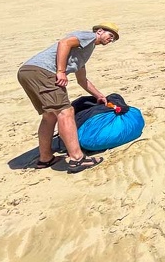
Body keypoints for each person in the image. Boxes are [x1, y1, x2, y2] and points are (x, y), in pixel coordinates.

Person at [17, 23, 120, 173]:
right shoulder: (89, 37)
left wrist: (99, 96)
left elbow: (82, 80)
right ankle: (77, 159)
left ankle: (45, 158)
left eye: (114, 39)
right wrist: (60, 71)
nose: (111, 40)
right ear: (99, 31)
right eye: (110, 36)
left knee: (50, 115)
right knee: (66, 112)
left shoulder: (85, 51)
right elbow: (64, 42)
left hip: (27, 72)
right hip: (44, 72)